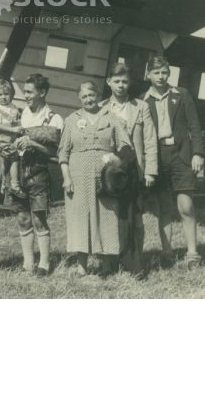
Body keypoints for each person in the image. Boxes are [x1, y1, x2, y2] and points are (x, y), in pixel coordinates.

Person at [58, 81, 132, 277]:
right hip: (78, 175)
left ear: (98, 96)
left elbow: (125, 147)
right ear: (79, 98)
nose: (88, 99)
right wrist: (66, 178)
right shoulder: (71, 120)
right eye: (84, 97)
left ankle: (107, 265)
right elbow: (63, 154)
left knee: (107, 216)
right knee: (80, 218)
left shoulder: (113, 118)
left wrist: (115, 160)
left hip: (105, 178)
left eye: (91, 95)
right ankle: (81, 266)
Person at [142, 56, 204, 268]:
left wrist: (198, 153)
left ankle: (193, 253)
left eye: (164, 72)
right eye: (156, 73)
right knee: (164, 207)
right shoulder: (143, 101)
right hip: (157, 156)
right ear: (148, 74)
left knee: (185, 205)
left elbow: (195, 126)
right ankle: (167, 252)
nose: (161, 77)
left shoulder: (182, 94)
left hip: (181, 155)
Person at [100, 62, 158, 274]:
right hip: (110, 171)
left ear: (130, 83)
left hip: (135, 170)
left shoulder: (140, 107)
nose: (121, 85)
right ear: (109, 82)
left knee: (135, 216)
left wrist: (150, 170)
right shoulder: (101, 108)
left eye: (125, 81)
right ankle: (110, 261)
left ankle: (135, 261)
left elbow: (150, 140)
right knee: (111, 216)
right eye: (116, 81)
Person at [9, 73, 64, 277]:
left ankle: (44, 264)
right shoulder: (20, 115)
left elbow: (57, 153)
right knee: (23, 218)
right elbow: (10, 141)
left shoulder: (54, 118)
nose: (26, 95)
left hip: (40, 171)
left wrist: (32, 143)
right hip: (19, 169)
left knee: (39, 218)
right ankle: (27, 263)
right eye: (25, 91)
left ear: (42, 92)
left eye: (30, 92)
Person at [0, 78, 25, 198]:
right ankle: (14, 185)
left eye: (6, 94)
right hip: (4, 138)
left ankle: (4, 183)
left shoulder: (12, 106)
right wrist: (13, 129)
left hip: (13, 138)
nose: (3, 97)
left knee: (6, 161)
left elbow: (17, 120)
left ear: (11, 95)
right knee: (14, 159)